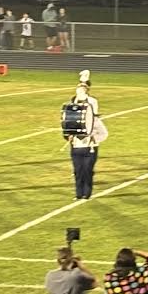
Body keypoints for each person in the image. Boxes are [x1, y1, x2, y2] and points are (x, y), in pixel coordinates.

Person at [67, 72, 108, 200]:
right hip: (76, 147)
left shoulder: (95, 120)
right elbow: (66, 131)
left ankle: (87, 193)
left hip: (90, 148)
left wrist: (93, 139)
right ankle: (78, 194)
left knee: (87, 170)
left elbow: (104, 134)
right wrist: (68, 137)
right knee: (77, 171)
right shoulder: (73, 120)